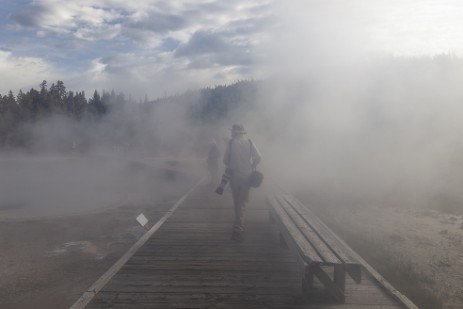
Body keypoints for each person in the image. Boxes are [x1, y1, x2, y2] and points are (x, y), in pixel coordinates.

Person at [223, 124, 261, 242]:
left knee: (236, 200)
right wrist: (252, 165)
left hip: (234, 176)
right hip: (247, 176)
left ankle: (238, 223)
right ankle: (238, 228)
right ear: (243, 132)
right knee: (243, 202)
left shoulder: (230, 143)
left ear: (234, 132)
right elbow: (258, 156)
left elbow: (225, 160)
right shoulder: (249, 142)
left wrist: (233, 164)